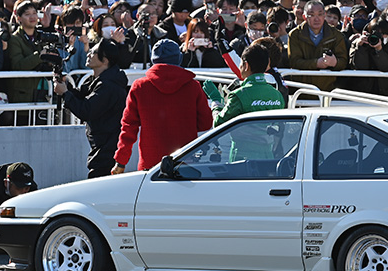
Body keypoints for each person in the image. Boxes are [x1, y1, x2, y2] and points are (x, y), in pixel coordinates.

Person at [113, 39, 213, 173]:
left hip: (150, 166)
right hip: (185, 161)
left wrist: (121, 162)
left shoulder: (139, 87)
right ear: (179, 58)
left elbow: (128, 127)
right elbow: (206, 123)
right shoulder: (193, 86)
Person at [53, 39, 128, 178]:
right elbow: (82, 97)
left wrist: (64, 93)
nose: (88, 54)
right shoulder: (98, 79)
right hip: (101, 144)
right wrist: (66, 87)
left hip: (107, 148)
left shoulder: (109, 86)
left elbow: (86, 110)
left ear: (104, 60)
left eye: (93, 52)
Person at [204, 42, 284, 142]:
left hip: (242, 154)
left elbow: (218, 124)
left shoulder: (239, 95)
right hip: (269, 155)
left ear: (246, 65)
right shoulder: (277, 95)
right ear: (268, 64)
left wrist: (216, 102)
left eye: (241, 63)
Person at [287, 0, 348, 91]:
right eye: (311, 15)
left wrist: (335, 63)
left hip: (328, 90)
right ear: (304, 16)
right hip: (302, 90)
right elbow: (294, 61)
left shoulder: (336, 35)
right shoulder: (295, 35)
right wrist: (316, 63)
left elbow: (344, 61)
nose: (317, 19)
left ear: (324, 15)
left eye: (320, 14)